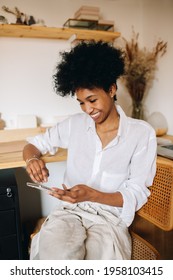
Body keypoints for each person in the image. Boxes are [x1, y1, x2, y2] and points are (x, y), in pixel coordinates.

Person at [23, 41, 157, 260]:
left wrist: (93, 194)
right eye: (81, 103)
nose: (88, 109)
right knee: (58, 258)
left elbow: (136, 193)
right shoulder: (74, 125)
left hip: (109, 220)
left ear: (112, 89)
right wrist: (32, 160)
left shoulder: (141, 134)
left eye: (92, 100)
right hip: (69, 213)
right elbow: (33, 145)